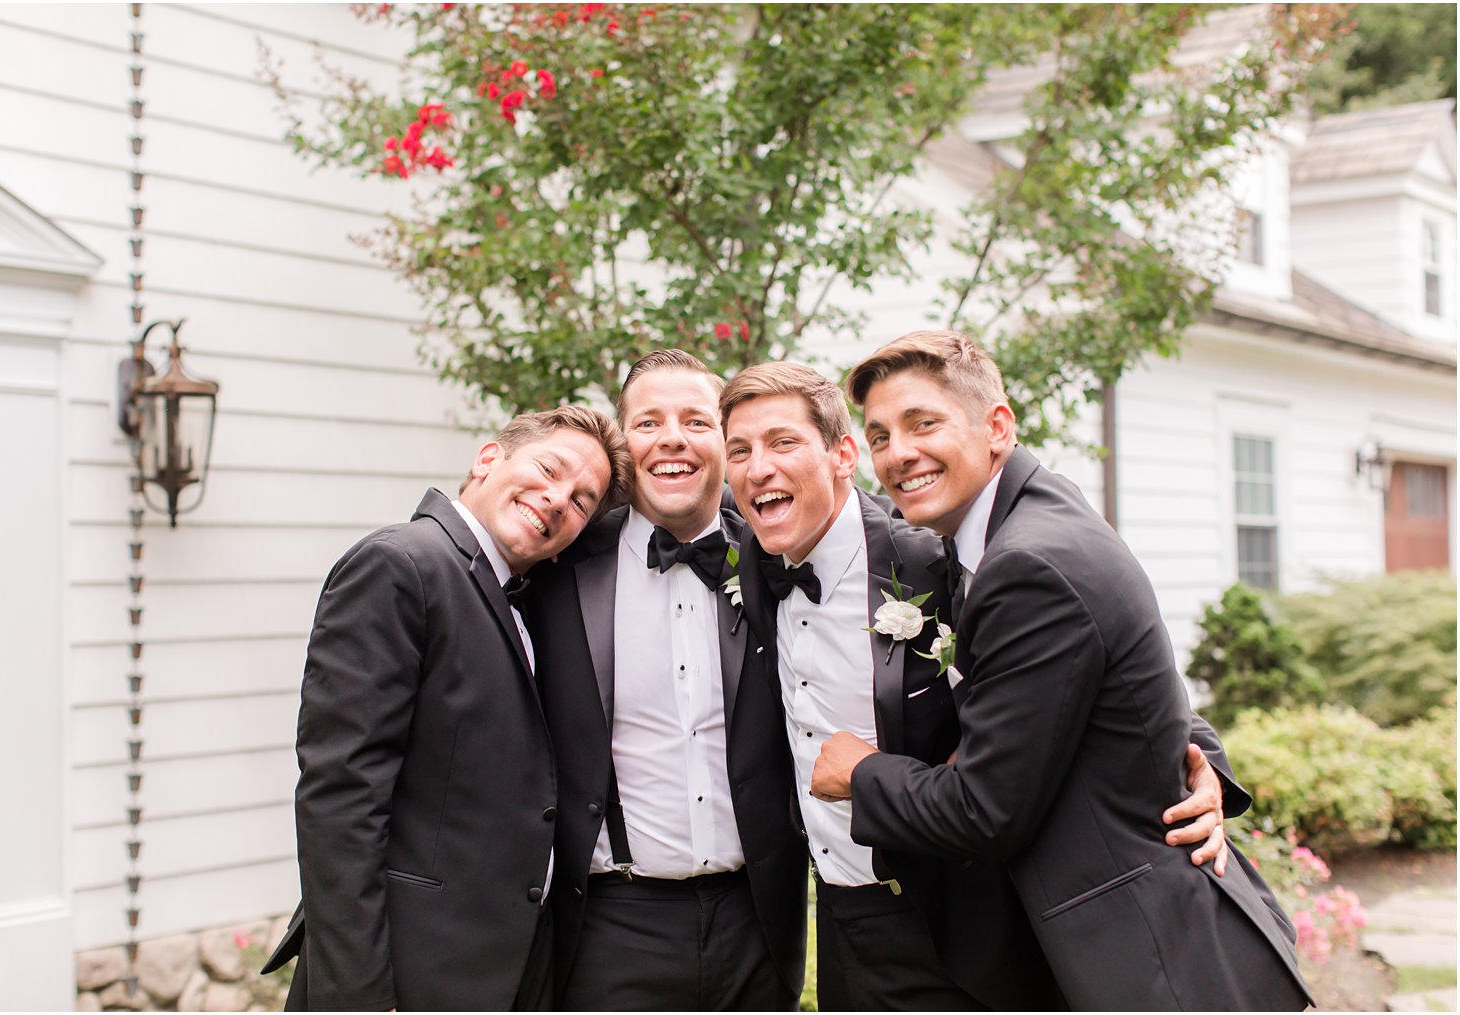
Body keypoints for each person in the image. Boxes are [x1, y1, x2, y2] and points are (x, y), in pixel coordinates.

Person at [814, 330, 1313, 1010]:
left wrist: (859, 772)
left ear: (997, 425)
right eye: (878, 436)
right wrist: (1204, 761)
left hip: (1152, 968)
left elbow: (988, 810)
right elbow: (1126, 683)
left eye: (922, 423)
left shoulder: (1029, 562)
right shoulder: (1018, 523)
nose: (898, 453)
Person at [721, 361, 1242, 1010]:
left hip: (966, 928)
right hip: (842, 922)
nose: (757, 467)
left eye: (782, 441)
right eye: (738, 451)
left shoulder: (934, 552)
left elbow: (1090, 652)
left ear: (842, 455)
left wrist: (1202, 764)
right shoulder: (752, 559)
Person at [261, 406, 632, 1011]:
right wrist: (358, 994)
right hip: (404, 973)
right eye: (549, 467)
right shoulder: (402, 563)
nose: (560, 498)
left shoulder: (522, 597)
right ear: (488, 459)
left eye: (583, 500)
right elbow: (341, 797)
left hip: (498, 971)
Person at [523, 350, 804, 1010]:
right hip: (609, 927)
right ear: (624, 447)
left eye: (695, 421)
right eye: (649, 422)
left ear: (725, 443)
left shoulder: (780, 557)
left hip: (757, 924)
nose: (672, 438)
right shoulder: (558, 567)